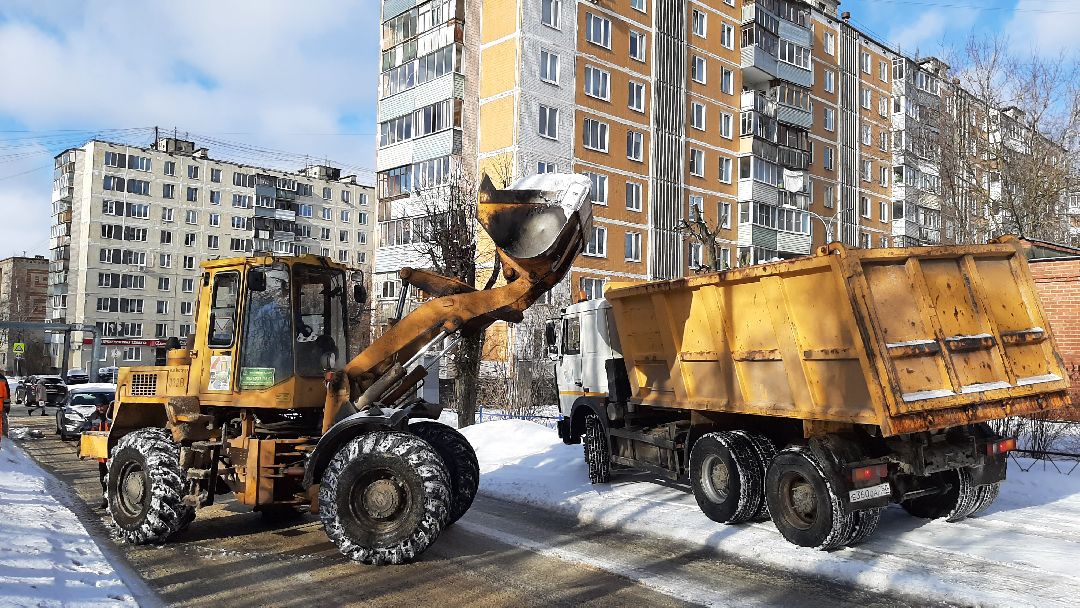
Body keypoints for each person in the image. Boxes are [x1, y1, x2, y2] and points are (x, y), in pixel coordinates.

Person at [80, 398, 112, 508]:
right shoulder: (94, 416)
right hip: (101, 454)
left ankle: (112, 502)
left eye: (102, 406)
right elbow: (87, 430)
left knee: (113, 479)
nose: (100, 408)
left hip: (113, 453)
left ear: (108, 405)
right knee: (103, 478)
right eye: (98, 406)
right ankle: (105, 500)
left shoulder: (113, 415)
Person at [0, 372, 9, 443]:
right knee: (2, 421)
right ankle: (4, 438)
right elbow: (6, 394)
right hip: (1, 405)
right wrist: (6, 406)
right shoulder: (2, 379)